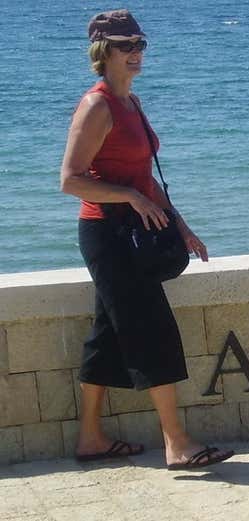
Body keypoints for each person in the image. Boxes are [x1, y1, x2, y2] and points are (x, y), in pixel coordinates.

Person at [60, 9, 233, 470]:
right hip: (108, 234)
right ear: (103, 51)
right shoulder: (97, 105)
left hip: (134, 229)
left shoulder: (131, 103)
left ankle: (91, 438)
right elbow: (70, 180)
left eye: (140, 44)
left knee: (108, 335)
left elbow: (146, 180)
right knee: (151, 330)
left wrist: (183, 226)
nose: (136, 53)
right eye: (126, 46)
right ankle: (177, 443)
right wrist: (129, 198)